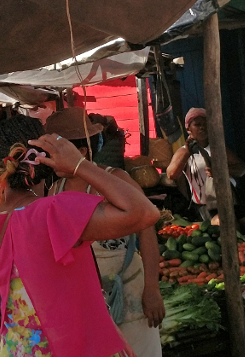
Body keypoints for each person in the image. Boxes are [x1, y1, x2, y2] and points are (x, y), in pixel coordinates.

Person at [0, 135, 159, 357]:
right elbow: (145, 213)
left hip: (20, 350)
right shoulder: (56, 210)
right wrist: (81, 165)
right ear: (47, 162)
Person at [46, 108, 164, 357]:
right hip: (85, 300)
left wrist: (152, 288)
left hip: (128, 288)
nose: (49, 158)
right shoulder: (55, 189)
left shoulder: (115, 179)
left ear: (81, 153)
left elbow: (147, 230)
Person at [166, 108, 245, 221]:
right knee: (223, 222)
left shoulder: (218, 148)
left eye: (206, 124)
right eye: (197, 124)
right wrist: (188, 152)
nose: (202, 127)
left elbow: (242, 169)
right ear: (189, 129)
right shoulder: (184, 152)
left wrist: (221, 171)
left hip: (231, 201)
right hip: (206, 207)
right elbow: (171, 174)